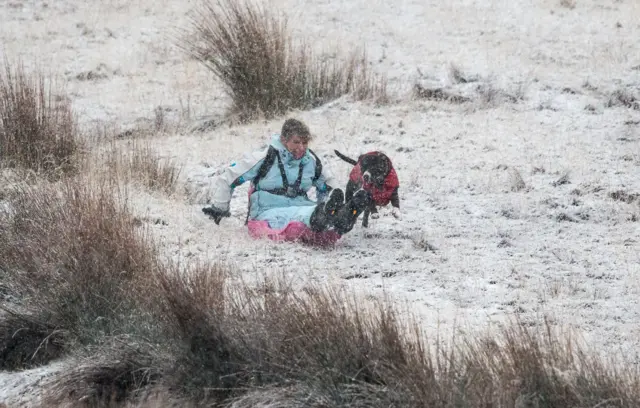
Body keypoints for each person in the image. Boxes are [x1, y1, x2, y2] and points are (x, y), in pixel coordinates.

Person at [202, 118, 370, 235]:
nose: (302, 147)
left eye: (305, 142)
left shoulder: (309, 161)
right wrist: (220, 210)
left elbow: (327, 183)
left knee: (305, 211)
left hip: (302, 205)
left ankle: (344, 214)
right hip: (267, 211)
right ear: (283, 140)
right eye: (296, 142)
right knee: (298, 216)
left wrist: (332, 195)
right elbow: (228, 178)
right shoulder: (265, 157)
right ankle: (326, 216)